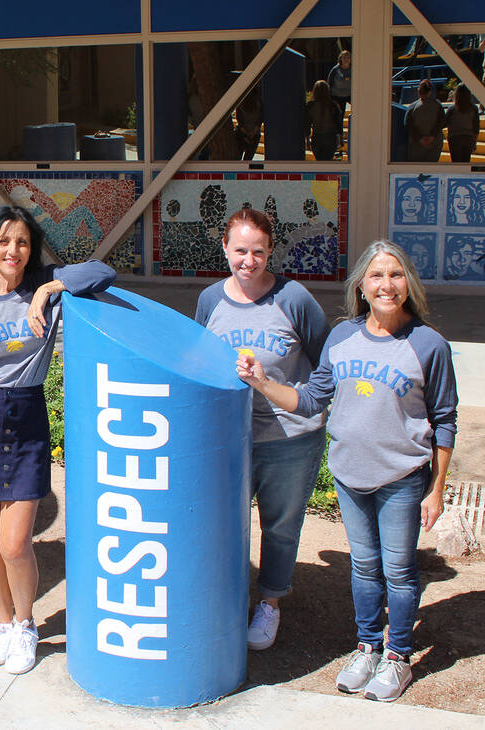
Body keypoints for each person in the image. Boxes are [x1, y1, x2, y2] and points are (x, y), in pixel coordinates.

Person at [237, 240, 457, 703]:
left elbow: (444, 421)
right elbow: (312, 400)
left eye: (396, 275)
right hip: (349, 475)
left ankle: (397, 657)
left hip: (401, 477)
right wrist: (261, 382)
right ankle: (367, 646)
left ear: (408, 284)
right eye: (377, 275)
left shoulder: (428, 344)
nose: (386, 285)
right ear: (362, 284)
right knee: (363, 567)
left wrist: (436, 489)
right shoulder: (342, 338)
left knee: (398, 570)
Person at [0, 206, 115, 675]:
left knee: (16, 543)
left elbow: (102, 271)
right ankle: (3, 621)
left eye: (22, 242)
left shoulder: (45, 292)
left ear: (31, 250)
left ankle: (27, 624)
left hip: (26, 419)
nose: (12, 251)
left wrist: (51, 288)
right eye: (3, 241)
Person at [194, 208, 329, 651]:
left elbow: (325, 363)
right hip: (228, 437)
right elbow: (199, 363)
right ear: (225, 249)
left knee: (280, 525)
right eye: (239, 251)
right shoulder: (211, 299)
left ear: (270, 250)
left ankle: (270, 602)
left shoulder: (293, 299)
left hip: (289, 436)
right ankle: (225, 600)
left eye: (257, 252)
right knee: (222, 520)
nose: (248, 261)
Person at [405, 79, 446, 163]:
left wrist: (420, 138)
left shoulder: (412, 107)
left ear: (418, 91)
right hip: (434, 144)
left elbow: (407, 124)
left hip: (417, 145)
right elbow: (442, 123)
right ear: (430, 91)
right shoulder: (438, 106)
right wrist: (432, 136)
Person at [306, 80, 343, 161]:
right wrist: (341, 137)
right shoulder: (333, 105)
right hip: (331, 137)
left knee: (319, 162)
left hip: (317, 137)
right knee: (328, 161)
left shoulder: (310, 105)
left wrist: (307, 140)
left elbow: (307, 124)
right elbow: (338, 123)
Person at [445, 85, 480, 163]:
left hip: (454, 138)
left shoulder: (452, 109)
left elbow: (444, 123)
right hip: (468, 138)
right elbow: (476, 128)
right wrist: (474, 142)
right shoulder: (474, 108)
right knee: (466, 163)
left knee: (456, 163)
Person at [327, 50, 352, 120]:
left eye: (348, 57)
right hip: (337, 96)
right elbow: (329, 82)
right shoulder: (335, 69)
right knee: (339, 116)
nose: (346, 59)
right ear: (340, 58)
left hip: (350, 95)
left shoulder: (354, 68)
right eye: (344, 57)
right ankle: (339, 130)